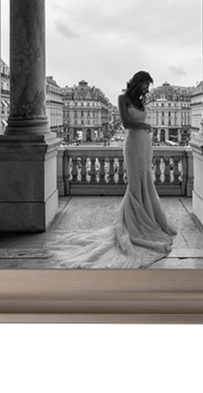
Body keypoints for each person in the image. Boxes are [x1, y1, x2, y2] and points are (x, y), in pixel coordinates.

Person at [47, 71, 178, 268]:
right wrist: (145, 125)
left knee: (146, 179)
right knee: (135, 182)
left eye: (147, 87)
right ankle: (132, 223)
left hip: (145, 143)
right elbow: (126, 123)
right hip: (133, 142)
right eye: (144, 85)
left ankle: (149, 219)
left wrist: (146, 128)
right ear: (137, 82)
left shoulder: (141, 101)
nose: (146, 89)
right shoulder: (122, 98)